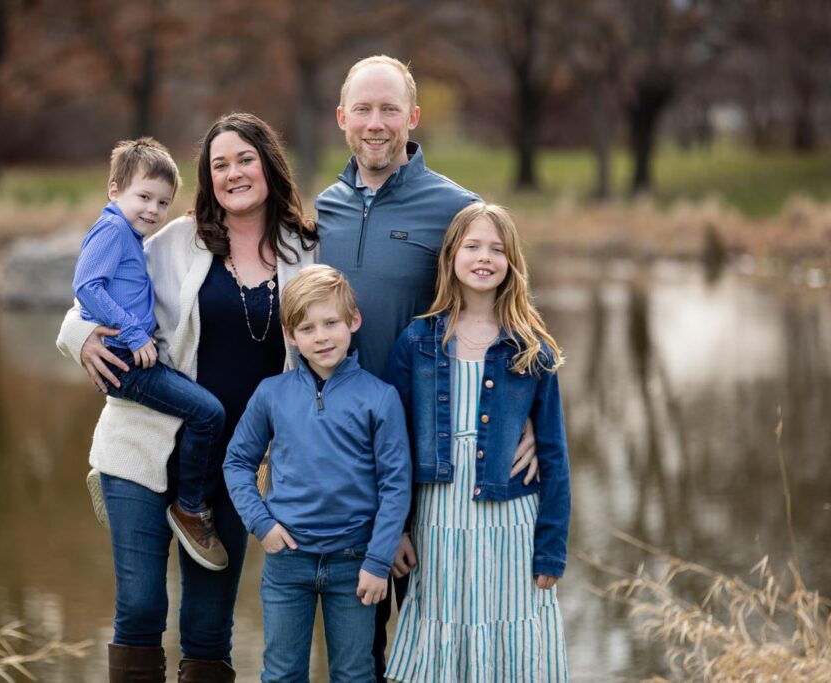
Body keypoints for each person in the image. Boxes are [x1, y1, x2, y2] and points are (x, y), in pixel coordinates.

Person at [56, 113, 317, 682]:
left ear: (269, 164)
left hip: (232, 463)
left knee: (207, 625)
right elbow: (91, 298)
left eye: (245, 159)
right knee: (143, 607)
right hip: (142, 447)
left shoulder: (305, 254)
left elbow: (329, 341)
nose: (234, 173)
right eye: (219, 165)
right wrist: (79, 341)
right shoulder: (176, 240)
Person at [315, 54, 540, 681]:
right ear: (342, 118)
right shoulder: (321, 213)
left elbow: (516, 316)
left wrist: (533, 423)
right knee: (354, 651)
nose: (376, 123)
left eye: (390, 109)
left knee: (433, 640)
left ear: (412, 118)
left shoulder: (459, 211)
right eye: (363, 109)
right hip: (339, 458)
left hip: (431, 461)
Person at [383, 203, 571, 681]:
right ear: (450, 256)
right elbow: (395, 448)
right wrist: (397, 531)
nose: (484, 257)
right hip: (440, 521)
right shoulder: (418, 340)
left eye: (497, 248)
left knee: (509, 632)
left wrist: (551, 546)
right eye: (472, 246)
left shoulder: (531, 348)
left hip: (510, 522)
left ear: (511, 262)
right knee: (445, 627)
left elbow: (553, 453)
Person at [223, 265, 412, 682]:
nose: (322, 337)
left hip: (355, 563)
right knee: (282, 673)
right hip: (287, 560)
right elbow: (236, 463)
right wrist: (261, 523)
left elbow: (396, 485)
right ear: (291, 336)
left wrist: (378, 561)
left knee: (354, 672)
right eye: (307, 328)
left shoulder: (380, 398)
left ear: (353, 322)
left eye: (331, 323)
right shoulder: (272, 394)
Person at [72, 136, 229, 572]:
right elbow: (86, 287)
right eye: (143, 197)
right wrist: (134, 332)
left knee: (205, 410)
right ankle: (191, 504)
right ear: (114, 190)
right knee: (208, 413)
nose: (153, 211)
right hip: (126, 363)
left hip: (138, 359)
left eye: (162, 203)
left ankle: (189, 500)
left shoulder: (132, 236)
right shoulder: (110, 231)